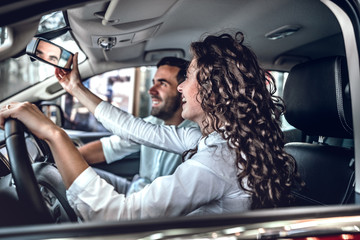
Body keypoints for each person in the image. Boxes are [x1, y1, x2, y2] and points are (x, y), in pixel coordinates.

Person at [0, 31, 301, 222]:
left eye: (188, 77)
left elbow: (115, 217)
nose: (182, 87)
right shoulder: (216, 141)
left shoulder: (218, 159)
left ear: (213, 88)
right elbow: (137, 129)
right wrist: (76, 88)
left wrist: (54, 134)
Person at [78, 57, 197, 196]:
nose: (151, 90)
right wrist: (60, 160)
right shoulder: (152, 122)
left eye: (163, 84)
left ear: (182, 91)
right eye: (153, 83)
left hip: (153, 205)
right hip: (134, 188)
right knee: (74, 176)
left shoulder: (195, 136)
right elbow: (107, 148)